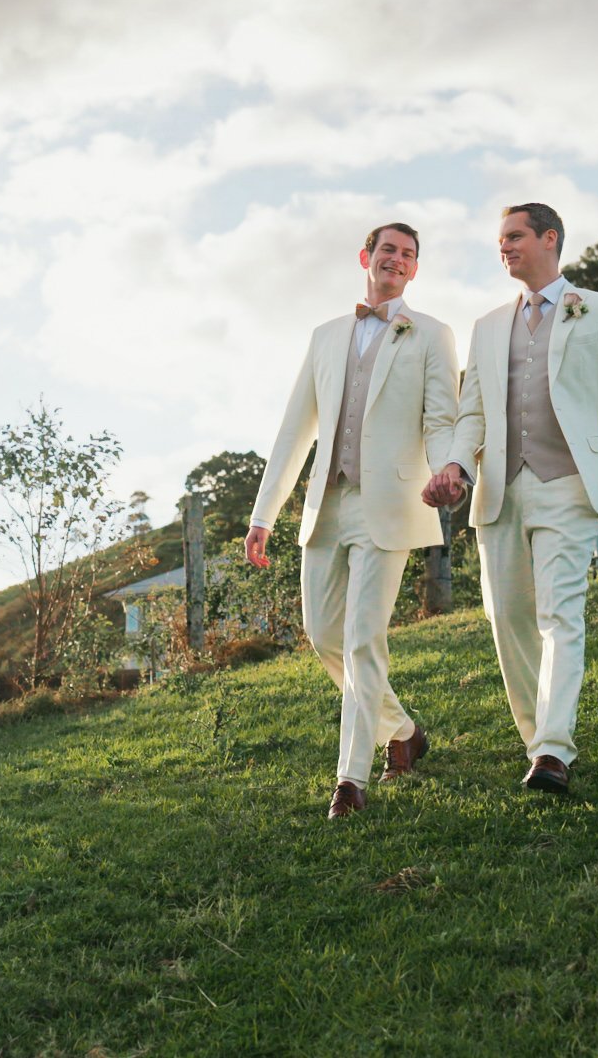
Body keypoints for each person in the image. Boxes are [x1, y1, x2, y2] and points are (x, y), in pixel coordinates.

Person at [423, 203, 598, 794]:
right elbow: (473, 413)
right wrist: (453, 464)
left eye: (515, 236)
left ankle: (553, 751)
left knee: (560, 614)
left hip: (570, 485)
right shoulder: (489, 325)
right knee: (509, 620)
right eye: (500, 240)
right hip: (500, 491)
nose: (505, 247)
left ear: (550, 239)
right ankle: (537, 740)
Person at [246, 222, 459, 818]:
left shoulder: (433, 335)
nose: (396, 259)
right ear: (367, 257)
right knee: (323, 635)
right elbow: (295, 431)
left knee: (365, 640)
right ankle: (404, 731)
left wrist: (447, 468)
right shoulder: (326, 336)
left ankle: (350, 780)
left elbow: (442, 418)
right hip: (328, 503)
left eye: (409, 255)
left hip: (391, 504)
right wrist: (264, 515)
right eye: (387, 249)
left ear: (414, 271)